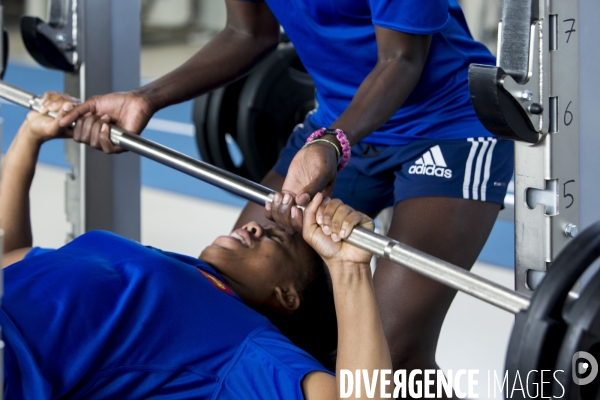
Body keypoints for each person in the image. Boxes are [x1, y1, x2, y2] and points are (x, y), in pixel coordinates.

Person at [58, 0, 514, 395]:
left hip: (448, 125)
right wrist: (146, 98)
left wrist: (334, 143)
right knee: (239, 289)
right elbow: (248, 32)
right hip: (338, 120)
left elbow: (403, 59)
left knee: (393, 353)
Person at [1, 95, 392, 399]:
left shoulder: (242, 341)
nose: (255, 228)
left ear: (288, 297)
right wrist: (29, 136)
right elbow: (10, 258)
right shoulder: (185, 271)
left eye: (275, 238)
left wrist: (348, 268)